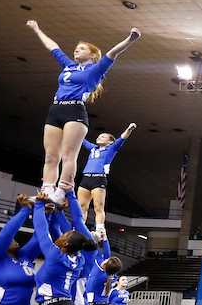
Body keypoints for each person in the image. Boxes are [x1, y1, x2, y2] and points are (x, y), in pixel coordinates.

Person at [26, 20, 141, 204]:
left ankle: (62, 190)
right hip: (56, 108)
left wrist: (130, 39)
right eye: (76, 48)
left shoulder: (96, 69)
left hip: (75, 110)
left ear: (93, 55)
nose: (76, 50)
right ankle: (46, 190)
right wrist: (37, 29)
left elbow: (113, 53)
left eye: (81, 48)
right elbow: (53, 47)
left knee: (68, 155)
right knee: (50, 155)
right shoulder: (68, 65)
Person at [76, 123, 137, 234]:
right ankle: (79, 227)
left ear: (110, 142)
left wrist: (129, 129)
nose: (99, 138)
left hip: (98, 179)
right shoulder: (93, 148)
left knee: (98, 206)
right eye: (98, 136)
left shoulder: (111, 148)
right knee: (81, 206)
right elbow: (81, 140)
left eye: (103, 137)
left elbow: (122, 138)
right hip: (86, 178)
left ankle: (99, 228)